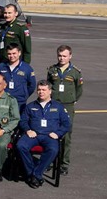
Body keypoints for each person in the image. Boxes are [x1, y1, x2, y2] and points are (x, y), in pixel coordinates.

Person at [16, 81, 71, 188]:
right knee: (20, 146)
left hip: (50, 136)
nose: (41, 92)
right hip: (33, 134)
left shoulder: (58, 107)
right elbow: (23, 121)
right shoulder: (30, 106)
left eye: (44, 90)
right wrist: (27, 130)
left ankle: (35, 174)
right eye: (39, 90)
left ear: (50, 91)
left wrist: (58, 133)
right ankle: (33, 173)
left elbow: (66, 124)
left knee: (53, 149)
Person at [47, 44, 83, 175]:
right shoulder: (52, 70)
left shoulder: (75, 72)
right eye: (60, 56)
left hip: (67, 106)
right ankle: (50, 161)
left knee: (66, 135)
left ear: (70, 56)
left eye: (64, 56)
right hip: (54, 105)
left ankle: (64, 164)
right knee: (50, 133)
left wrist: (71, 100)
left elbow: (79, 90)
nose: (62, 58)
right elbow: (48, 86)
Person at [0, 43, 36, 115]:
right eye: (9, 54)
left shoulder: (27, 68)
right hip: (3, 100)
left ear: (19, 53)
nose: (12, 56)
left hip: (20, 102)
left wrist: (24, 95)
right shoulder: (1, 67)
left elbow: (32, 85)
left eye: (14, 53)